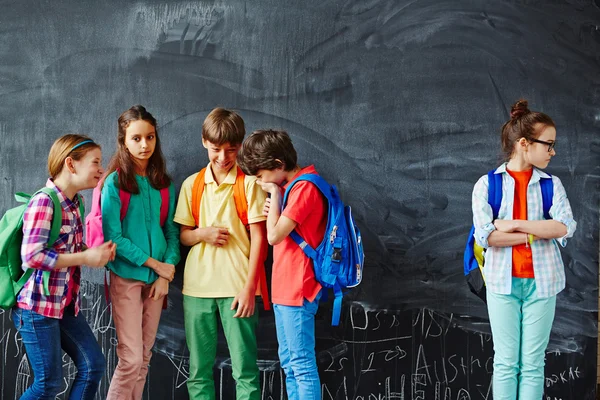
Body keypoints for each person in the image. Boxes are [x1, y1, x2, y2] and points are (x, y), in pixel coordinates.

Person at [471, 99, 577, 399]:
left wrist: (513, 224)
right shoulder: (487, 185)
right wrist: (536, 231)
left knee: (532, 364)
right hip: (502, 284)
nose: (552, 152)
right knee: (506, 362)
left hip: (543, 284)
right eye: (549, 144)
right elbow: (487, 237)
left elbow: (564, 227)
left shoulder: (551, 185)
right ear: (524, 143)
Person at [174, 107, 267, 399]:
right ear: (204, 142)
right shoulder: (192, 185)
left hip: (238, 289)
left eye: (231, 149)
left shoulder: (250, 185)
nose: (224, 157)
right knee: (198, 371)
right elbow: (184, 237)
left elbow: (261, 240)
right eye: (216, 149)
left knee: (245, 371)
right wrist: (204, 234)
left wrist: (250, 288)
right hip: (197, 289)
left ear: (240, 146)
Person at [13, 134, 115, 399]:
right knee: (48, 384)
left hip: (63, 305)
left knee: (93, 365)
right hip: (37, 308)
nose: (101, 169)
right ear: (71, 164)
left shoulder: (75, 203)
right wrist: (85, 258)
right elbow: (32, 256)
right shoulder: (45, 201)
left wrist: (92, 252)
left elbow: (68, 249)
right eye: (95, 162)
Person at [237, 129, 326, 400]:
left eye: (262, 176)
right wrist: (276, 201)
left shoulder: (305, 187)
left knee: (301, 364)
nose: (260, 182)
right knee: (289, 364)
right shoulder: (294, 188)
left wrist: (274, 196)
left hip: (298, 288)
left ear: (278, 165)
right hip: (285, 290)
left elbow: (274, 236)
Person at [102, 105, 180, 399]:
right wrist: (154, 265)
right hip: (126, 277)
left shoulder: (164, 184)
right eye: (136, 138)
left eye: (150, 137)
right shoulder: (114, 183)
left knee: (144, 358)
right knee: (131, 359)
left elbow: (171, 232)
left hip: (158, 282)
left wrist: (166, 270)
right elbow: (115, 238)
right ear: (123, 141)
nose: (144, 145)